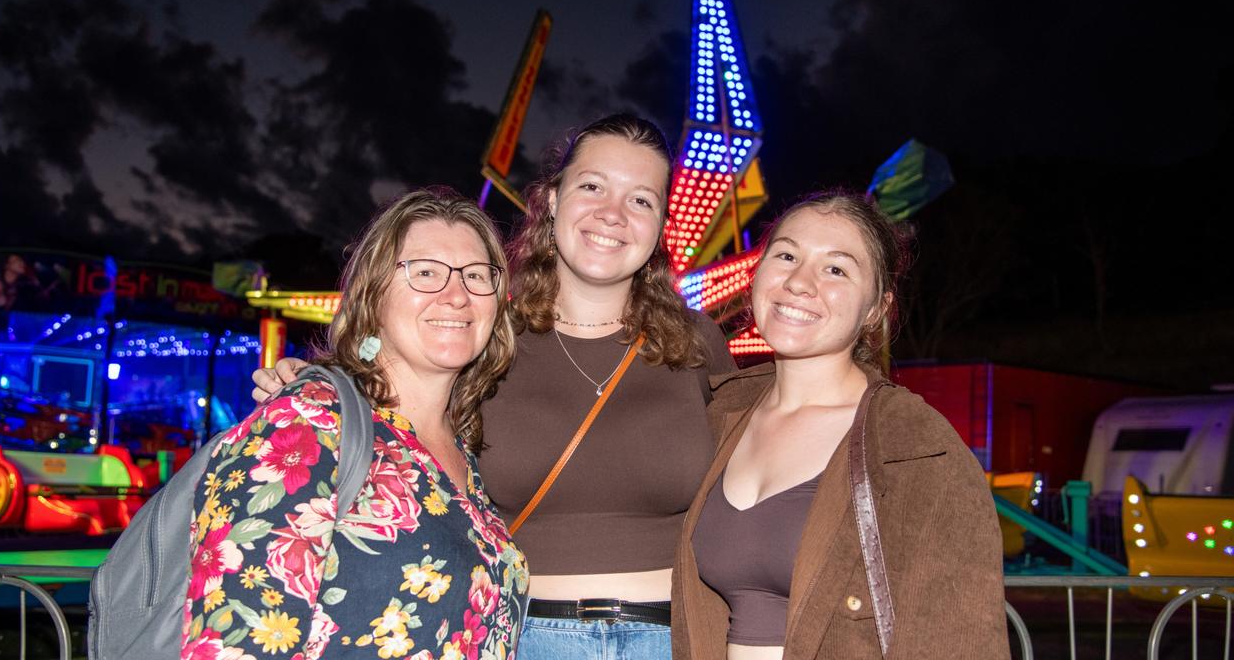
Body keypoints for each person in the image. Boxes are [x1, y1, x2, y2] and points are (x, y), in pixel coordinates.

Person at [254, 114, 737, 659]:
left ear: (660, 224)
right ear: (552, 200)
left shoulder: (699, 344)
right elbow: (394, 390)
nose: (613, 214)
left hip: (677, 638)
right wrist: (326, 381)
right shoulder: (484, 336)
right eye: (592, 186)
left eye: (641, 199)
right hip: (523, 639)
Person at [183, 189, 528, 660]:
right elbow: (231, 642)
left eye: (475, 275)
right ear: (374, 294)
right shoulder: (308, 424)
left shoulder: (463, 445)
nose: (456, 295)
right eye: (425, 272)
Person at [672, 190, 1007, 660]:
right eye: (786, 255)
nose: (799, 282)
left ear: (875, 309)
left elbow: (960, 638)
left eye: (836, 269)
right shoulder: (716, 416)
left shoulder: (913, 445)